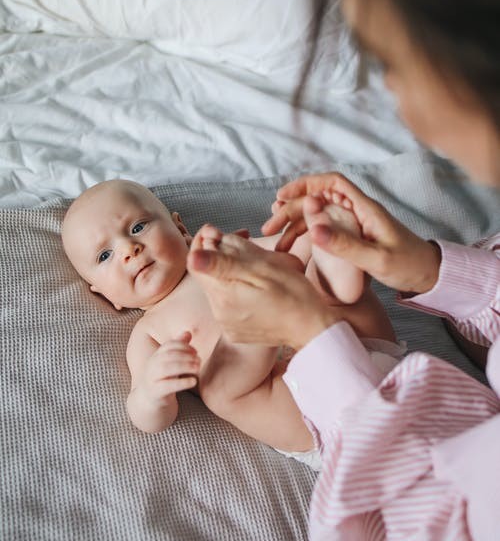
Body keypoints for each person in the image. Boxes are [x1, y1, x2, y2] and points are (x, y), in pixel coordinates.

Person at [185, 0, 500, 541]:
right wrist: (431, 270)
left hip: (367, 413)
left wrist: (313, 336)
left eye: (386, 58)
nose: (393, 97)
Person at [61, 178, 400, 470]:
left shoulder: (222, 252)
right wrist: (152, 391)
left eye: (137, 228)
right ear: (105, 295)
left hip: (361, 349)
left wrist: (311, 232)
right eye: (104, 256)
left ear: (181, 230)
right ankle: (262, 320)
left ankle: (336, 247)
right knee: (221, 389)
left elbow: (290, 253)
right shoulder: (149, 332)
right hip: (307, 412)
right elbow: (144, 416)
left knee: (317, 280)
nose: (129, 250)